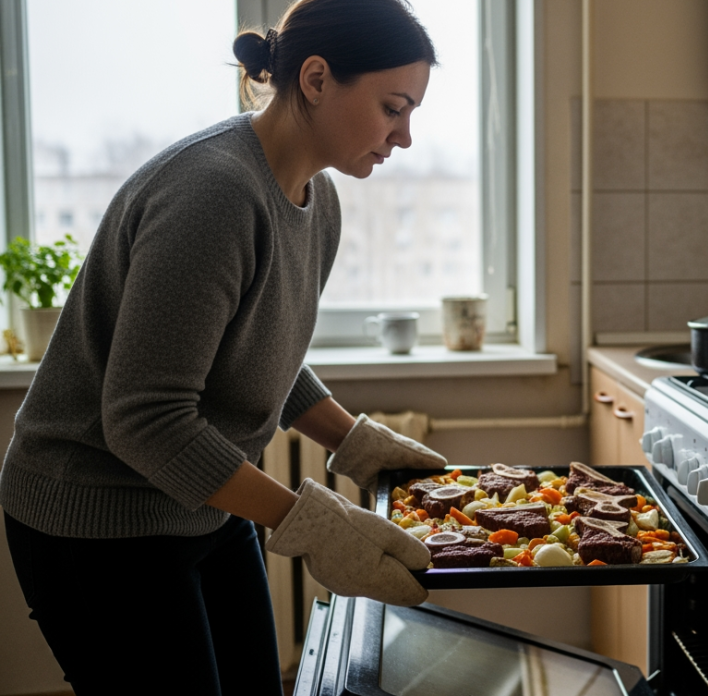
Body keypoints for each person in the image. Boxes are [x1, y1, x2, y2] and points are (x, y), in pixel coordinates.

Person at [0, 1, 449, 693]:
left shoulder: (315, 198)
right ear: (318, 78)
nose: (406, 136)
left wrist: (352, 441)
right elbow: (146, 418)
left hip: (200, 503)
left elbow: (251, 344)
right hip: (96, 518)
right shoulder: (214, 192)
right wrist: (314, 525)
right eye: (394, 107)